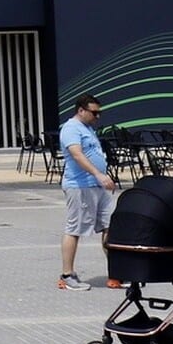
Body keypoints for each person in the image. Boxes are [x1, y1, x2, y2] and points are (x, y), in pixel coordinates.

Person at [58, 93, 119, 291]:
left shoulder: (88, 128)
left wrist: (103, 176)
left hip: (98, 186)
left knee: (110, 226)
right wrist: (98, 174)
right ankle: (67, 275)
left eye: (99, 113)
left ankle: (116, 272)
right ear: (81, 110)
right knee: (75, 228)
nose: (97, 116)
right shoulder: (71, 128)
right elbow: (77, 155)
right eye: (94, 113)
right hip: (80, 186)